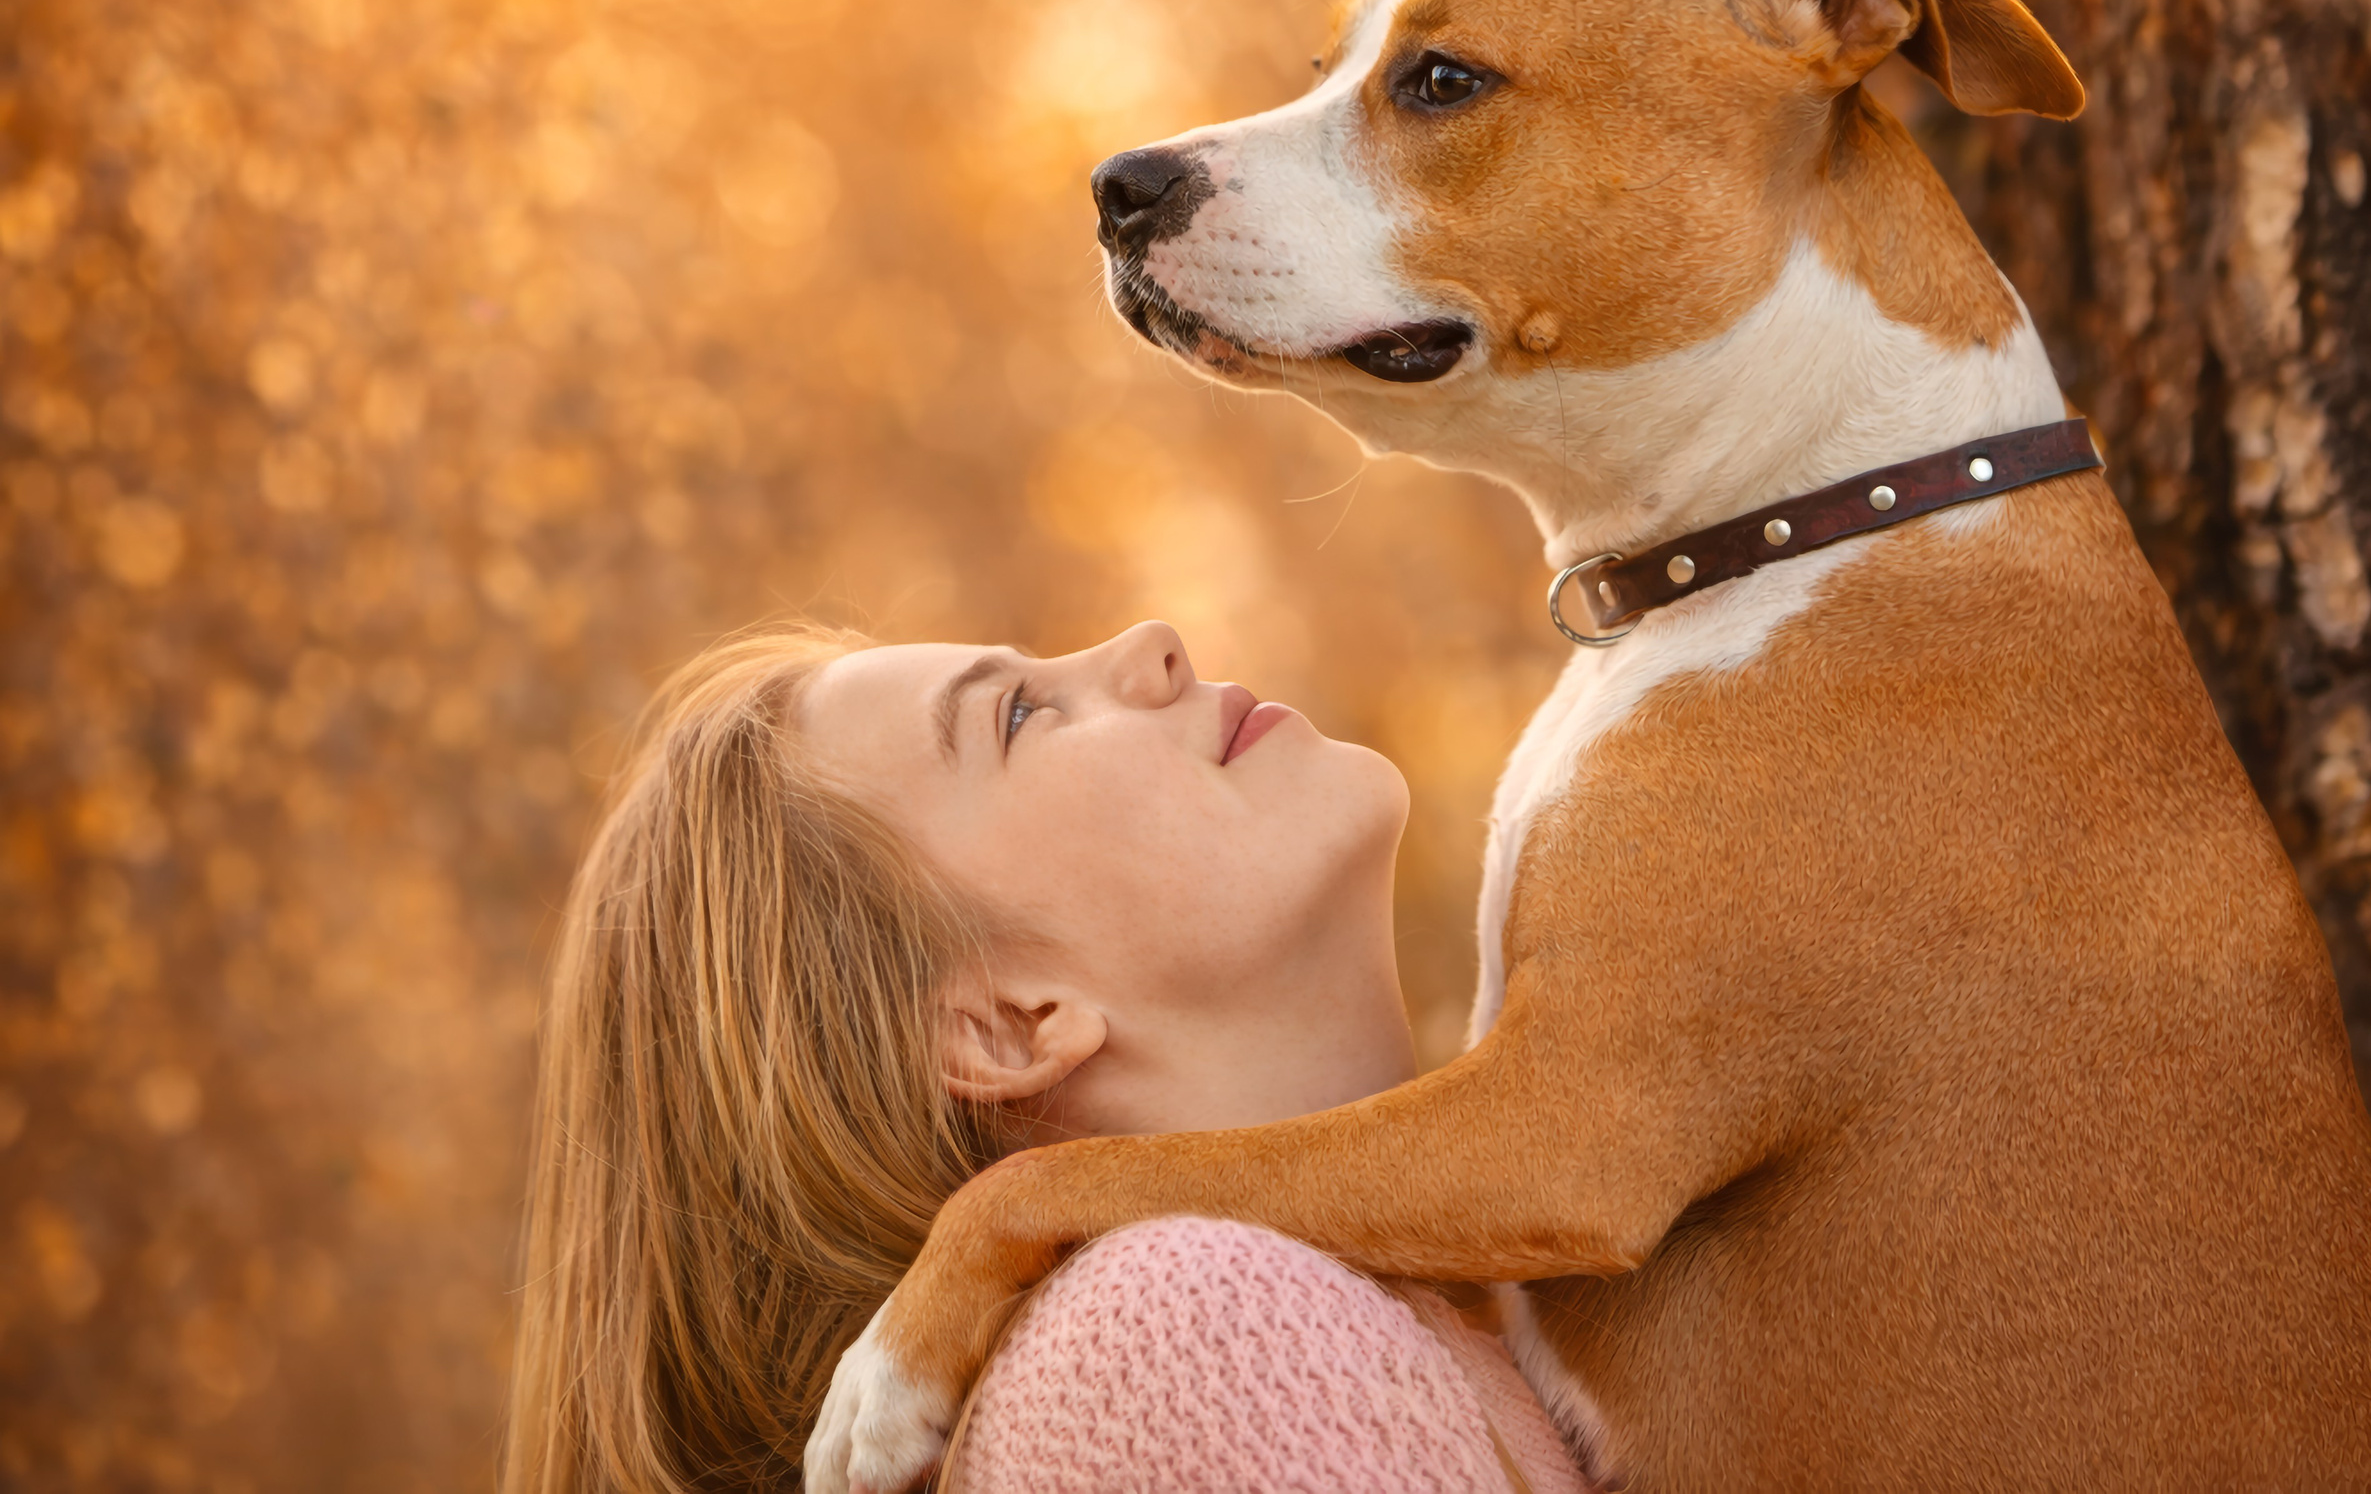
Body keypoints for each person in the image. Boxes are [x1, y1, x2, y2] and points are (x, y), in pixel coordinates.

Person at [502, 620, 1591, 1494]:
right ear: (1006, 1025)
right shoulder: (1180, 1335)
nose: (1153, 646)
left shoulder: (1500, 1327)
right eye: (1019, 714)